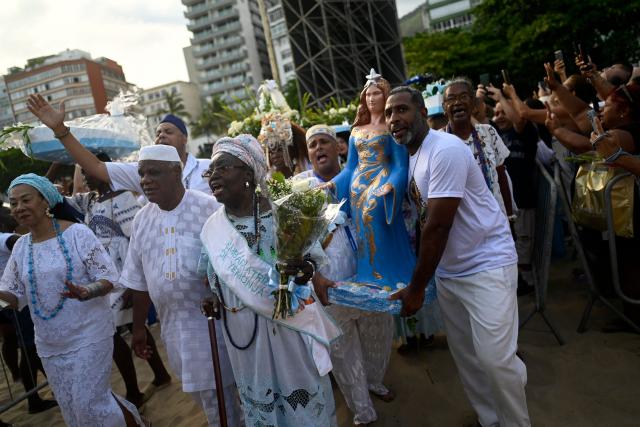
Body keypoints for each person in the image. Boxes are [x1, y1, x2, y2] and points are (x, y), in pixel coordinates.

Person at [385, 86, 530, 427]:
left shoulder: (444, 149)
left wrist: (417, 288)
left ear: (422, 112)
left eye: (402, 110)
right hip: (451, 272)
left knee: (496, 360)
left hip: (486, 264)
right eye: (390, 114)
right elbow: (422, 220)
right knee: (468, 359)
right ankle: (490, 418)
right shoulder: (413, 154)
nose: (394, 119)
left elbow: (437, 226)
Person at [200, 134, 339, 426]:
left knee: (303, 403)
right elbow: (211, 275)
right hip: (244, 334)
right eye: (210, 171)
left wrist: (301, 269)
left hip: (292, 325)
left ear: (248, 173)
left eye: (222, 168)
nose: (213, 176)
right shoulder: (212, 228)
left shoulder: (284, 210)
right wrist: (213, 296)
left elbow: (312, 261)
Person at [0, 174, 143, 427]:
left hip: (89, 334)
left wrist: (87, 291)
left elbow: (109, 277)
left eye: (26, 200)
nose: (19, 208)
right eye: (14, 203)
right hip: (50, 344)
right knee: (74, 409)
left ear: (46, 201)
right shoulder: (21, 247)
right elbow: (12, 296)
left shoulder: (77, 233)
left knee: (88, 405)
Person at [116, 145, 240, 426]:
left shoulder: (208, 208)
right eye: (141, 173)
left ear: (176, 172)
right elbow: (138, 279)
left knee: (221, 400)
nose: (145, 180)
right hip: (173, 329)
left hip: (215, 325)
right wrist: (138, 329)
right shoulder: (141, 220)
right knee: (206, 397)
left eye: (153, 172)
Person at [297, 125, 395, 425]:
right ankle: (362, 409)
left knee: (380, 337)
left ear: (340, 147)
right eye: (312, 145)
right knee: (343, 351)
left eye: (323, 141)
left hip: (372, 282)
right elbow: (293, 243)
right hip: (331, 289)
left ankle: (375, 380)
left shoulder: (363, 177)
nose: (317, 148)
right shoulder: (301, 191)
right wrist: (314, 277)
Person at [67, 153, 172, 408]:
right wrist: (58, 160)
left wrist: (132, 285)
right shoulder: (89, 201)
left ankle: (134, 390)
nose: (85, 177)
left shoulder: (123, 199)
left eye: (89, 171)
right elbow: (55, 198)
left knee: (114, 331)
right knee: (129, 328)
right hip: (104, 276)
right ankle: (159, 374)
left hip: (124, 277)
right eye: (83, 172)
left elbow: (138, 242)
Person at [25, 93, 211, 196]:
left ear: (185, 138)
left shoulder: (208, 167)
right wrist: (61, 131)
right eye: (158, 133)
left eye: (168, 132)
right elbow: (96, 167)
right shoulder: (143, 172)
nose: (161, 135)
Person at [330, 69, 415, 290]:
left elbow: (401, 164)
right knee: (361, 227)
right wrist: (332, 183)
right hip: (357, 186)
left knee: (375, 216)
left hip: (382, 181)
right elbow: (349, 167)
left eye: (376, 93)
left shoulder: (391, 128)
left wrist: (392, 184)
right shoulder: (356, 130)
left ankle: (388, 273)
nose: (371, 98)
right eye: (368, 94)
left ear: (385, 97)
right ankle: (368, 273)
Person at [0, 208, 57, 415]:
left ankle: (42, 390)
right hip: (18, 300)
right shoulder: (9, 239)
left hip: (7, 300)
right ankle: (33, 398)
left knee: (26, 347)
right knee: (30, 348)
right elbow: (33, 247)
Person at [488, 85, 539, 291]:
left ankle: (525, 281)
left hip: (524, 199)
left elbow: (518, 119)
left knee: (523, 241)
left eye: (503, 112)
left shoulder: (524, 132)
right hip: (507, 201)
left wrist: (501, 96)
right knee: (513, 240)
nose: (499, 117)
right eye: (496, 113)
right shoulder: (497, 135)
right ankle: (516, 280)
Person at [443, 78, 514, 218]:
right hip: (464, 227)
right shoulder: (438, 142)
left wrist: (510, 217)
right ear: (444, 107)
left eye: (464, 97)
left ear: (474, 104)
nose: (457, 102)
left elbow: (501, 177)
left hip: (497, 221)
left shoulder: (488, 132)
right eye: (451, 99)